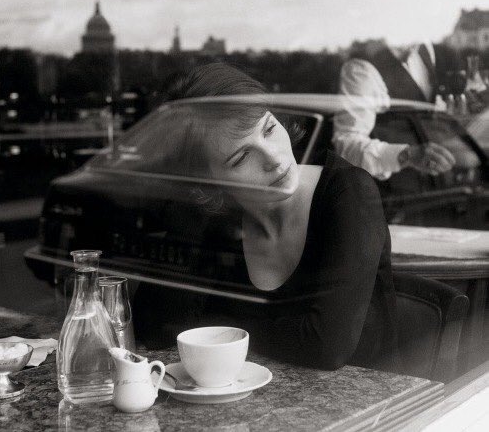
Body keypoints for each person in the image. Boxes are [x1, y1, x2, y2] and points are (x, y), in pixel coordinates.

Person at [134, 63, 401, 372]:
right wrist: (192, 209)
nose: (274, 159)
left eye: (269, 129)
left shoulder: (349, 191)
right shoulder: (219, 221)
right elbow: (154, 327)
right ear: (210, 181)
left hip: (372, 408)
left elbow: (326, 347)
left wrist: (216, 327)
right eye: (242, 157)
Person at [333, 42, 456, 180]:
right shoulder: (361, 69)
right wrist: (407, 155)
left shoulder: (427, 48)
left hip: (442, 182)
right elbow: (345, 147)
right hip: (393, 192)